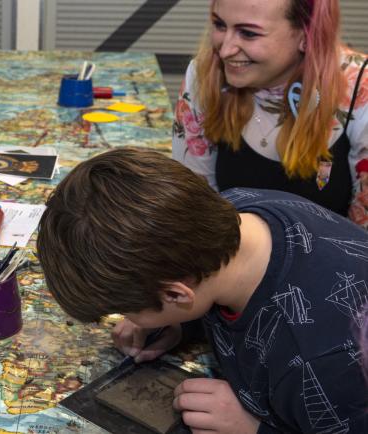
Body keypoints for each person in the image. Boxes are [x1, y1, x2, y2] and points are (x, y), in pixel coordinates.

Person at [37, 148, 368, 434]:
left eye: (127, 308)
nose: (127, 318)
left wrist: (255, 428)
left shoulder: (324, 363)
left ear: (178, 294)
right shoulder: (236, 207)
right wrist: (182, 324)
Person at [172, 0, 368, 227]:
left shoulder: (360, 89)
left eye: (248, 33)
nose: (225, 50)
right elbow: (197, 206)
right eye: (219, 25)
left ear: (306, 35)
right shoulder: (205, 75)